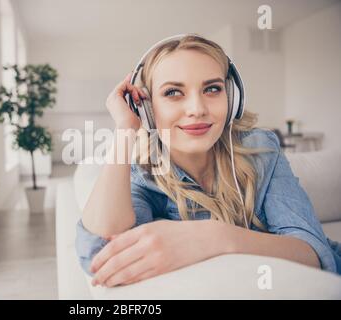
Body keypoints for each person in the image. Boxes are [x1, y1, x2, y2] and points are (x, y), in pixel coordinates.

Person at [75, 34, 341, 288]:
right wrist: (125, 128)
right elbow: (100, 254)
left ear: (232, 98)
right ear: (146, 108)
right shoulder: (145, 176)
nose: (197, 109)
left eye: (212, 89)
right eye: (173, 93)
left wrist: (216, 237)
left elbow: (315, 255)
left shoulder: (260, 148)